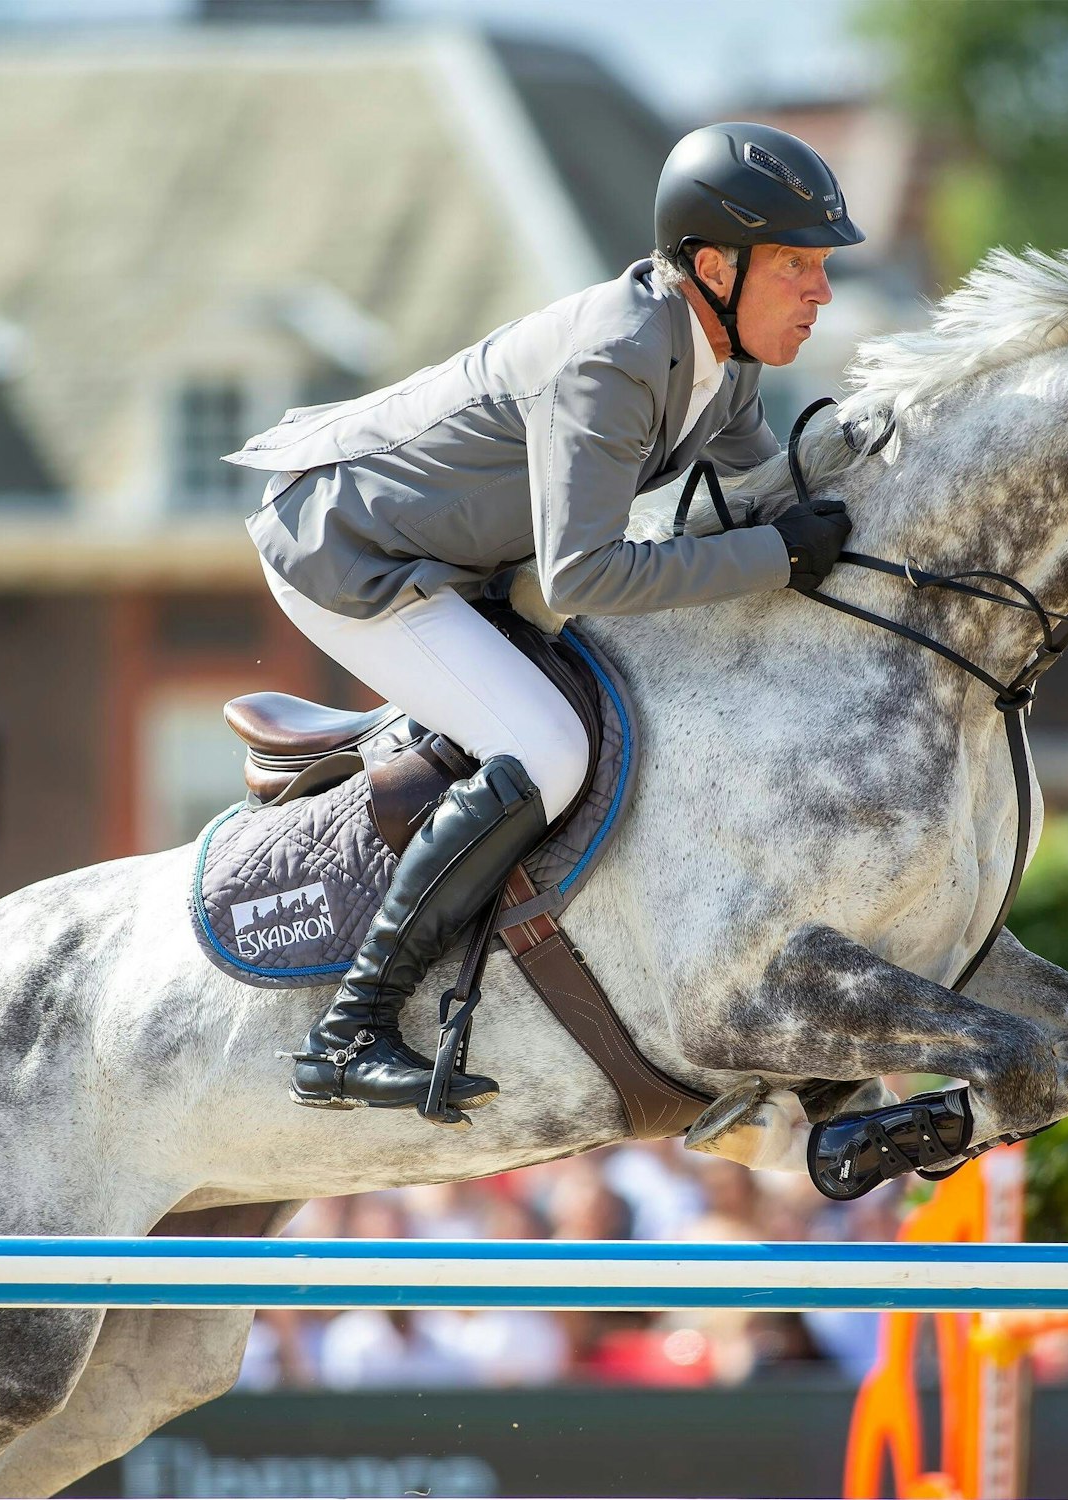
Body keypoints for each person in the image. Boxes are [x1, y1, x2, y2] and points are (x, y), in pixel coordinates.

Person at [227, 124, 863, 1118]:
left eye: (819, 267)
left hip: (457, 558)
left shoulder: (721, 353)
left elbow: (759, 486)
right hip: (348, 553)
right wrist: (777, 556)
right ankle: (348, 1031)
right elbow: (585, 573)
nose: (820, 291)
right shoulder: (612, 356)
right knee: (547, 748)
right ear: (712, 265)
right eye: (797, 266)